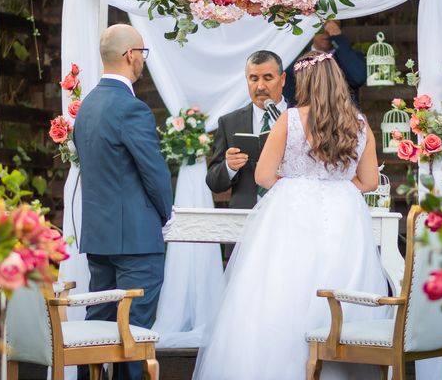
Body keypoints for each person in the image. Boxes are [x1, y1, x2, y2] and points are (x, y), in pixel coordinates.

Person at [193, 51, 389, 380]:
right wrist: (335, 186)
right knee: (342, 290)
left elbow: (264, 176)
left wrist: (299, 185)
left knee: (281, 292)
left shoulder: (292, 119)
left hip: (293, 215)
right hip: (344, 218)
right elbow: (369, 181)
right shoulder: (359, 124)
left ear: (304, 82)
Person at [74, 24, 173, 380]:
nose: (143, 62)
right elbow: (155, 173)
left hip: (100, 239)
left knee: (97, 334)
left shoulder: (86, 107)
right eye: (142, 54)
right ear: (130, 55)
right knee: (133, 335)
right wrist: (167, 214)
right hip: (136, 240)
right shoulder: (131, 108)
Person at [205, 50, 287, 208]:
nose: (260, 86)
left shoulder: (301, 117)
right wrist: (229, 166)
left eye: (268, 78)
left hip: (289, 212)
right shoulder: (229, 122)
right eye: (253, 79)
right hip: (245, 216)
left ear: (282, 79)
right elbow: (213, 183)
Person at [283, 20, 366, 107]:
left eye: (333, 26)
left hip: (342, 117)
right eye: (321, 26)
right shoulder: (295, 62)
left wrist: (338, 37)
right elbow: (290, 100)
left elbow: (358, 78)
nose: (327, 31)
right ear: (311, 29)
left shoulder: (348, 57)